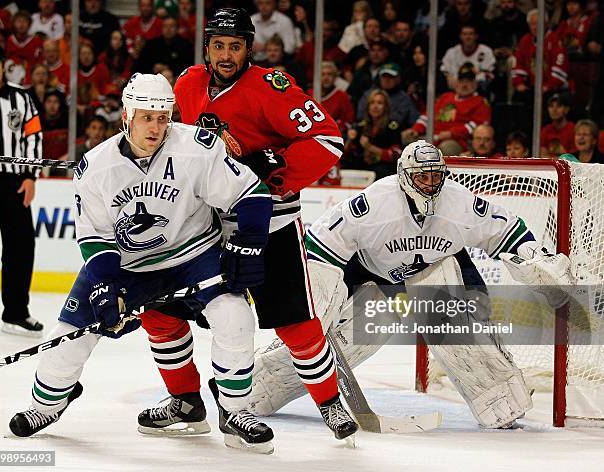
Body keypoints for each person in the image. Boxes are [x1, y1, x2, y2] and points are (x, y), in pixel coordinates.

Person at [8, 73, 277, 454]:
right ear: (127, 114)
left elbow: (252, 193)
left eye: (163, 117)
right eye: (146, 117)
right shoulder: (95, 166)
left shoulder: (197, 148)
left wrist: (248, 246)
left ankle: (236, 411)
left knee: (234, 317)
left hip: (192, 254)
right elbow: (96, 237)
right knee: (65, 340)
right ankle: (46, 405)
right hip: (129, 265)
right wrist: (104, 285)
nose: (156, 126)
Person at [139, 7, 357, 442]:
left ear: (248, 50)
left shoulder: (270, 88)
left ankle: (329, 403)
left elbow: (328, 138)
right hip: (204, 227)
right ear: (206, 48)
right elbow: (175, 142)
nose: (225, 54)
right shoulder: (187, 84)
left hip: (270, 224)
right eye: (218, 45)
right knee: (160, 311)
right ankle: (186, 400)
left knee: (295, 322)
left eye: (234, 46)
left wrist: (266, 165)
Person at [249, 140, 571, 430]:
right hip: (370, 269)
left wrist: (532, 256)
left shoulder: (459, 204)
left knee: (455, 324)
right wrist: (319, 300)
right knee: (350, 334)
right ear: (405, 176)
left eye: (435, 176)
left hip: (434, 268)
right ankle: (262, 385)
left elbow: (506, 229)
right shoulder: (376, 204)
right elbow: (323, 241)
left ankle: (498, 396)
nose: (430, 184)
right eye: (422, 177)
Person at [0, 44, 43, 336]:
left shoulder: (21, 97)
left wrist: (31, 176)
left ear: (3, 67)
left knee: (21, 247)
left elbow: (34, 136)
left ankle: (15, 312)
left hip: (13, 181)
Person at [402, 62, 491, 155]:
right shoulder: (445, 97)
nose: (464, 85)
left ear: (475, 84)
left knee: (446, 148)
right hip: (432, 137)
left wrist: (451, 134)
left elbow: (477, 126)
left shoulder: (480, 102)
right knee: (406, 137)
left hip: (459, 141)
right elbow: (427, 116)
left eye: (468, 81)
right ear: (457, 82)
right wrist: (416, 129)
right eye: (461, 81)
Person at [344, 89, 402, 179]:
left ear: (385, 107)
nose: (375, 106)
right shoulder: (360, 125)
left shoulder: (393, 126)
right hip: (363, 169)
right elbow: (345, 153)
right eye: (372, 103)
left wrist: (369, 147)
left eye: (379, 103)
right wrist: (349, 140)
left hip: (385, 171)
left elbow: (396, 155)